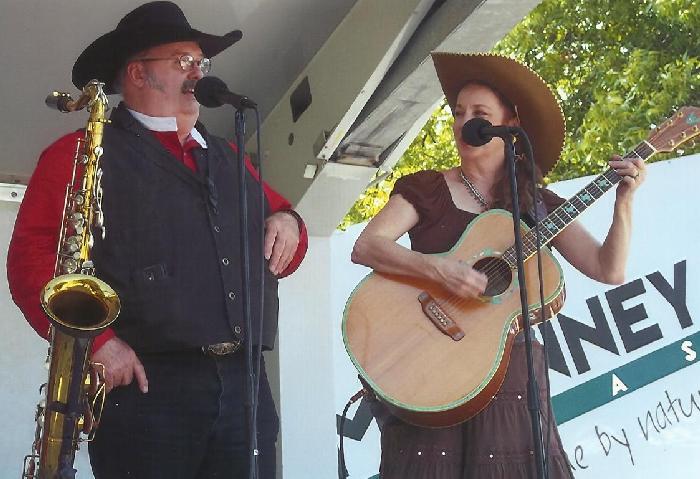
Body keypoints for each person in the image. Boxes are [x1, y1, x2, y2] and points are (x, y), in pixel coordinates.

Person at [7, 2, 308, 478]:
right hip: (145, 388)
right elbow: (31, 259)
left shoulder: (229, 157)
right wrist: (99, 343)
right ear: (138, 74)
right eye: (182, 61)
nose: (198, 73)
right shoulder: (79, 152)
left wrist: (290, 221)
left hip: (243, 387)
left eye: (201, 63)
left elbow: (286, 233)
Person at [351, 52, 645, 478]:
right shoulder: (428, 189)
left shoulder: (536, 204)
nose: (463, 122)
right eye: (458, 113)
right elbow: (367, 246)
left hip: (510, 380)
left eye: (479, 114)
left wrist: (625, 200)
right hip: (428, 371)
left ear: (511, 127)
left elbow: (608, 269)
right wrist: (439, 271)